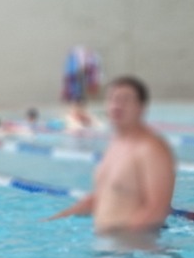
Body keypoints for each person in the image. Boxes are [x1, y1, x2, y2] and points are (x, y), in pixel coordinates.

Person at [48, 76, 175, 239]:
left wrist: (121, 244)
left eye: (125, 100)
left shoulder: (151, 149)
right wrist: (56, 220)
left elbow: (157, 209)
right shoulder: (116, 145)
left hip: (136, 249)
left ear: (141, 107)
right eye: (113, 99)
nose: (117, 105)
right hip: (112, 246)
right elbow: (103, 196)